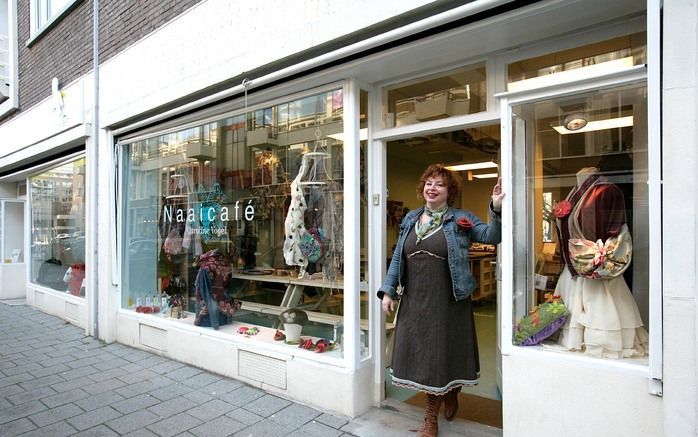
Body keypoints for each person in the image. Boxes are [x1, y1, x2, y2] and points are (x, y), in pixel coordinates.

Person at [377, 164, 504, 437]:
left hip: (447, 301)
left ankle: (431, 417)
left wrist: (494, 207)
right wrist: (388, 291)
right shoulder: (411, 218)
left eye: (440, 185)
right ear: (423, 187)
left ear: (450, 192)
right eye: (429, 183)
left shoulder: (460, 219)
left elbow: (492, 236)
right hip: (414, 299)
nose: (432, 188)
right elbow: (399, 256)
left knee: (439, 356)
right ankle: (449, 392)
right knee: (423, 356)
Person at [552, 166, 647, 358]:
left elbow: (616, 230)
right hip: (571, 274)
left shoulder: (607, 190)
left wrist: (600, 257)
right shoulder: (572, 193)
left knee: (601, 317)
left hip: (596, 272)